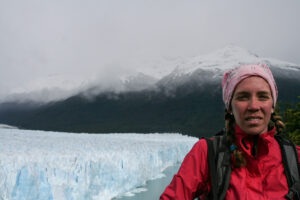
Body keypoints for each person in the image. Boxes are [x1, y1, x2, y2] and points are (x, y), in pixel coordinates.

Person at [160, 63, 300, 199]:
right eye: (243, 97)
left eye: (263, 96)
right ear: (229, 107)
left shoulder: (294, 158)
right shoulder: (208, 153)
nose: (253, 106)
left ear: (273, 105)